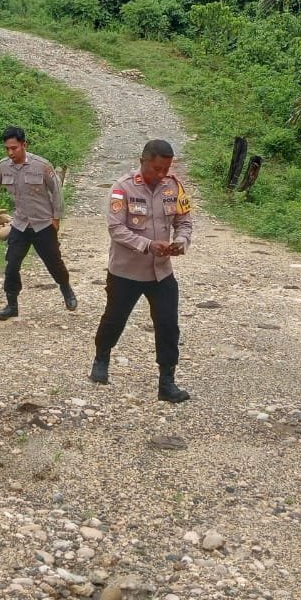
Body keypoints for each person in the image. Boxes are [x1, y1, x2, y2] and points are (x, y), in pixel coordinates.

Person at [89, 139, 194, 403]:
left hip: (161, 272)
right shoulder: (122, 188)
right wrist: (147, 245)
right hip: (126, 272)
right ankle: (102, 357)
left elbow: (184, 221)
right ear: (142, 161)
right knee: (114, 319)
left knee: (168, 325)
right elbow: (116, 229)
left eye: (166, 169)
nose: (162, 174)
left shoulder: (174, 186)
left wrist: (181, 242)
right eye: (157, 168)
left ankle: (167, 381)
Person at [0, 126, 77, 319]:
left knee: (54, 262)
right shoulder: (3, 167)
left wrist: (56, 218)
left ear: (24, 145)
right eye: (7, 148)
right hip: (20, 224)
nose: (10, 152)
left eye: (14, 148)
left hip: (43, 224)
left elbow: (57, 191)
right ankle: (11, 304)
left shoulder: (42, 166)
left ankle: (66, 289)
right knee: (12, 264)